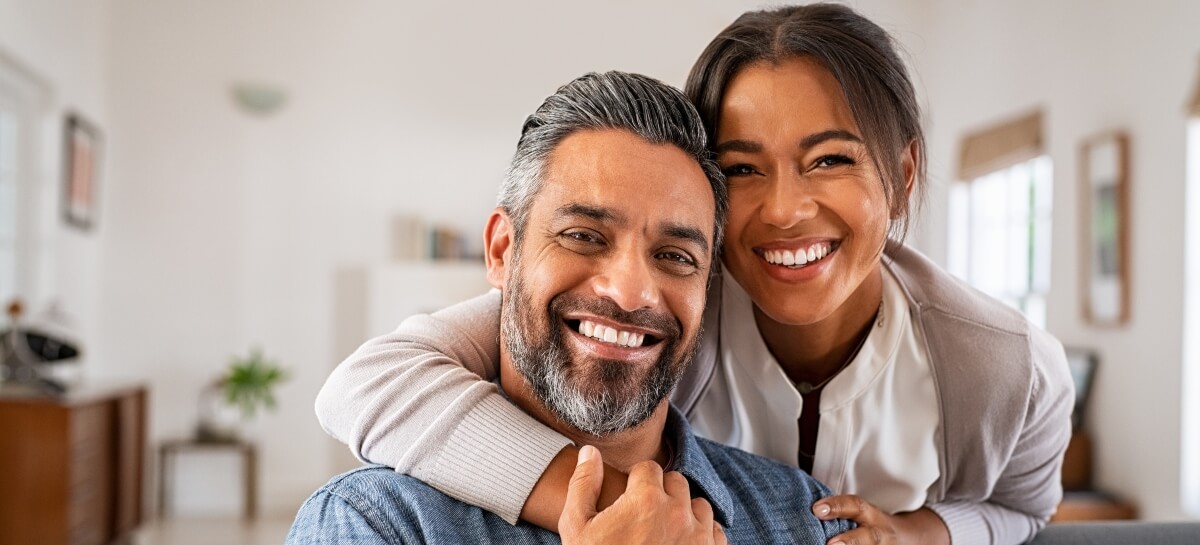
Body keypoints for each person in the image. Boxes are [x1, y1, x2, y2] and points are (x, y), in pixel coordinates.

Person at [315, 5, 1074, 545]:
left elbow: (1024, 508)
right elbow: (369, 382)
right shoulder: (674, 301)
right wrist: (611, 506)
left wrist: (932, 531)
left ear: (903, 174)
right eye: (742, 168)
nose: (784, 210)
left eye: (831, 159)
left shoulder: (1003, 364)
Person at [290, 70, 851, 545]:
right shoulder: (378, 524)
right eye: (584, 236)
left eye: (675, 255)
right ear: (502, 252)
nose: (631, 293)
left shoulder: (804, 519)